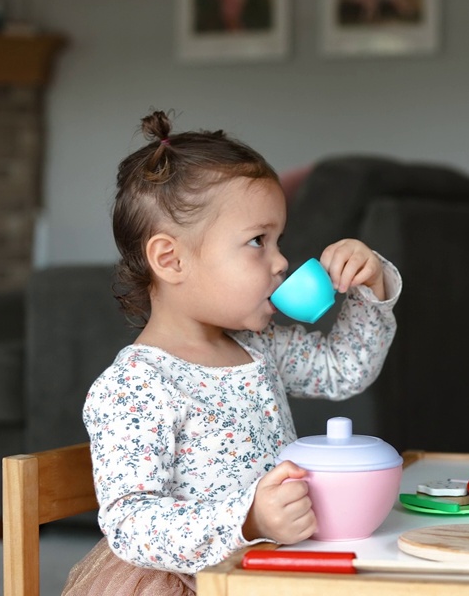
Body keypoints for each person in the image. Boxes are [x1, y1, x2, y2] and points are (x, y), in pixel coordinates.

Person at [62, 111, 402, 595]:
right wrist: (248, 519)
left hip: (274, 566)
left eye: (278, 240)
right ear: (171, 259)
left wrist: (371, 286)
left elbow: (344, 369)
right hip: (196, 580)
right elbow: (131, 524)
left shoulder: (258, 347)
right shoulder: (138, 385)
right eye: (258, 241)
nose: (282, 260)